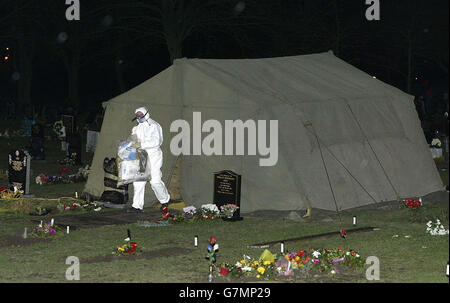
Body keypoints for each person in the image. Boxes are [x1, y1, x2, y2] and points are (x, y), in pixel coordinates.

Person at [127, 107, 171, 218]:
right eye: (137, 114)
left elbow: (156, 141)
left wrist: (141, 144)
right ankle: (137, 206)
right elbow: (133, 140)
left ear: (146, 114)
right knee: (138, 181)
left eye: (141, 114)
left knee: (155, 181)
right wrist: (130, 146)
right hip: (141, 155)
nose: (139, 116)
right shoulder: (136, 128)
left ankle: (165, 201)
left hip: (153, 155)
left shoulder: (154, 126)